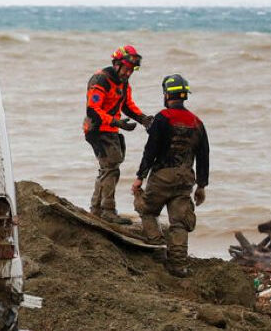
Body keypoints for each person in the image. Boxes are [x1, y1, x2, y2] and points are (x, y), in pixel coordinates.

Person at [131, 73, 209, 277]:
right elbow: (204, 156)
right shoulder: (197, 122)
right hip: (185, 179)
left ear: (166, 94)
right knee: (180, 222)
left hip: (162, 176)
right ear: (184, 96)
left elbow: (151, 150)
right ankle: (178, 265)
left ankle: (157, 250)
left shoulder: (162, 118)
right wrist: (201, 186)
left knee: (147, 210)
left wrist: (140, 176)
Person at [84, 44, 152, 224]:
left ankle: (96, 209)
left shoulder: (123, 82)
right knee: (111, 168)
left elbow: (127, 105)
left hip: (110, 129)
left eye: (132, 70)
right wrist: (116, 122)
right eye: (127, 69)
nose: (128, 73)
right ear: (116, 63)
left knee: (108, 168)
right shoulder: (100, 80)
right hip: (97, 130)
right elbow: (92, 109)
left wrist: (143, 119)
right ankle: (107, 210)